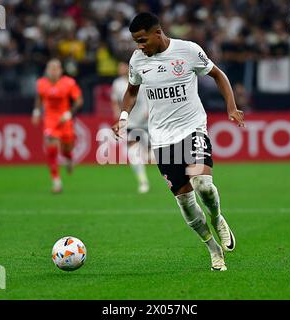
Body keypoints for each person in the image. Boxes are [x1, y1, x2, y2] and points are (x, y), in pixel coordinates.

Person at [112, 13, 245, 271]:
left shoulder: (188, 50)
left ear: (157, 33)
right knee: (184, 200)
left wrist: (231, 107)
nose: (139, 46)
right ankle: (213, 250)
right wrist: (123, 116)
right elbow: (131, 90)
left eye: (142, 40)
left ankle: (217, 218)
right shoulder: (138, 60)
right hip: (162, 140)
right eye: (135, 41)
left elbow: (218, 75)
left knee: (203, 184)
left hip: (193, 129)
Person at [32, 59, 83, 193]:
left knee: (66, 149)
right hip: (50, 119)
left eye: (56, 68)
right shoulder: (41, 83)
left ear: (60, 70)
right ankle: (56, 182)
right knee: (52, 149)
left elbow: (79, 100)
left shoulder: (69, 83)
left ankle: (69, 158)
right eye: (51, 69)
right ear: (47, 71)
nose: (53, 71)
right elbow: (39, 98)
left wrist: (69, 113)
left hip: (64, 119)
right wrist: (36, 112)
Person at [111, 61, 150, 193]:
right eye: (119, 67)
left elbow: (149, 98)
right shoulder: (117, 84)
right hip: (131, 123)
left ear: (129, 68)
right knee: (133, 153)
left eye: (122, 67)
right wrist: (119, 115)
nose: (120, 69)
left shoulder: (141, 80)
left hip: (147, 122)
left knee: (162, 153)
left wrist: (150, 111)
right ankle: (143, 181)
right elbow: (115, 101)